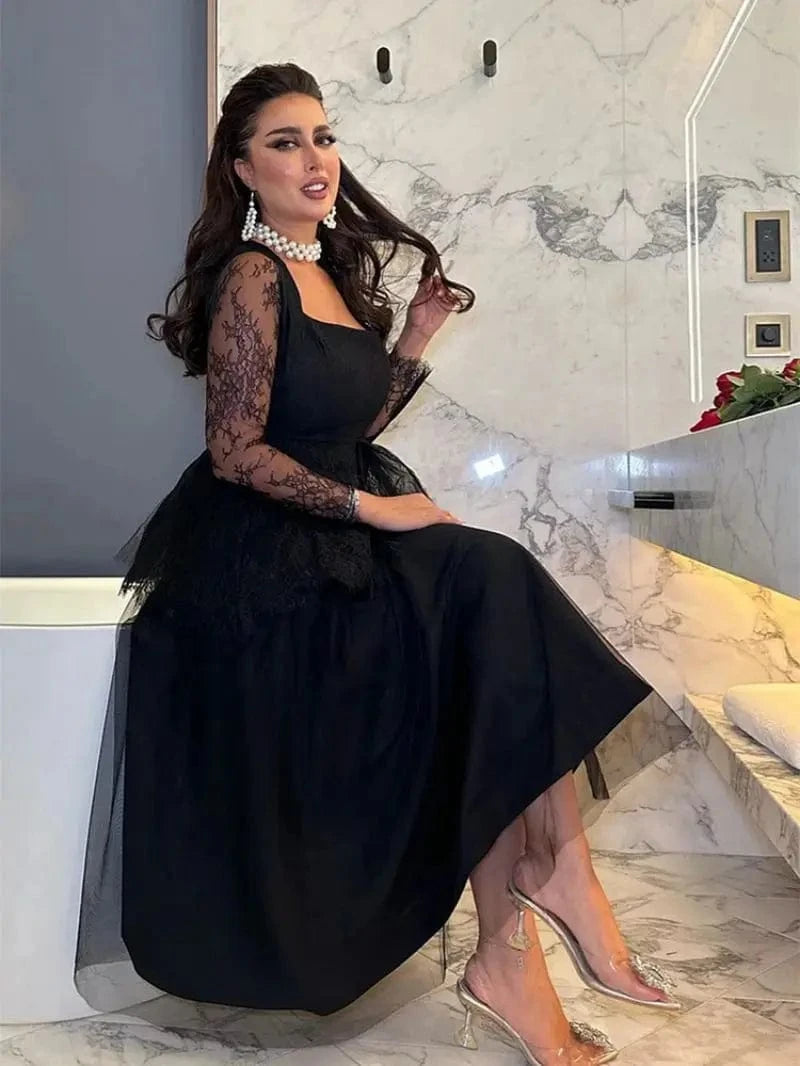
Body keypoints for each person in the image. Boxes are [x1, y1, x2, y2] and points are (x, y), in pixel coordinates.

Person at [74, 63, 679, 1066]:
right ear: (243, 169)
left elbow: (342, 425)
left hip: (338, 541)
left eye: (323, 136)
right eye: (285, 141)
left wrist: (417, 334)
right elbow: (237, 450)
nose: (315, 158)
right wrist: (372, 506)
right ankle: (548, 896)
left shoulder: (331, 273)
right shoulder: (253, 275)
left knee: (487, 615)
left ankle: (522, 933)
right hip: (264, 567)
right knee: (486, 591)